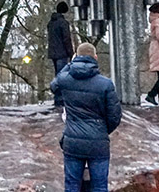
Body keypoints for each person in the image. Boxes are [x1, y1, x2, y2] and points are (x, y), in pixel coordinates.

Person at [50, 42, 122, 192]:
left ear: (76, 57)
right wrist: (101, 130)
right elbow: (115, 116)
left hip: (72, 140)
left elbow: (53, 86)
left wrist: (70, 64)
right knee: (100, 186)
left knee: (72, 185)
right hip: (98, 142)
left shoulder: (66, 80)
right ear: (95, 57)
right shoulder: (106, 84)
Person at [48, 1, 76, 87]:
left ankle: (57, 96)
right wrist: (71, 53)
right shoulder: (63, 23)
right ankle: (61, 97)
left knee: (57, 75)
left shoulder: (50, 23)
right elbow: (66, 39)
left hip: (53, 52)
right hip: (62, 52)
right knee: (62, 75)